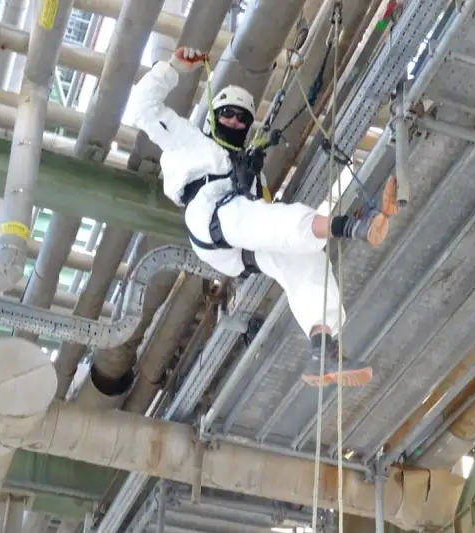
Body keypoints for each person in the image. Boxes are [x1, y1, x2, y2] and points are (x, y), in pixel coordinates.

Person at [126, 47, 398, 388]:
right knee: (264, 218)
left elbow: (270, 220)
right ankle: (351, 227)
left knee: (306, 258)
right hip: (210, 215)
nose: (234, 121)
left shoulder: (252, 174)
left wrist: (253, 183)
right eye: (227, 114)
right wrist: (173, 67)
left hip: (242, 245)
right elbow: (142, 108)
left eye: (242, 118)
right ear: (212, 116)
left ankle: (323, 348)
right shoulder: (188, 140)